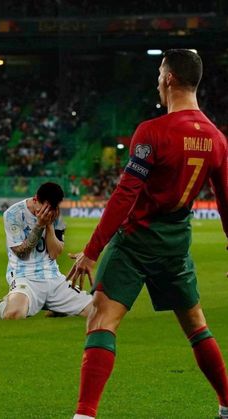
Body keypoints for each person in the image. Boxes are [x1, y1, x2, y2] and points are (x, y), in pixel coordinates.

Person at [67, 49, 228, 419]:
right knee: (196, 326)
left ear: (170, 78)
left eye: (159, 74)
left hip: (136, 241)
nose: (157, 81)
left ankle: (84, 415)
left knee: (101, 321)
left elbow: (125, 194)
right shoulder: (218, 140)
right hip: (176, 246)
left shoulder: (153, 132)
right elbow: (226, 203)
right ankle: (226, 404)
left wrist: (92, 251)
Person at [0, 182, 92, 320]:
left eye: (51, 209)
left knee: (95, 310)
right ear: (35, 199)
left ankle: (57, 307)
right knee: (14, 314)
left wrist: (49, 225)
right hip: (25, 276)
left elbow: (55, 254)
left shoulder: (56, 216)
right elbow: (22, 253)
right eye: (44, 208)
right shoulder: (13, 214)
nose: (47, 212)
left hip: (53, 278)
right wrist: (39, 225)